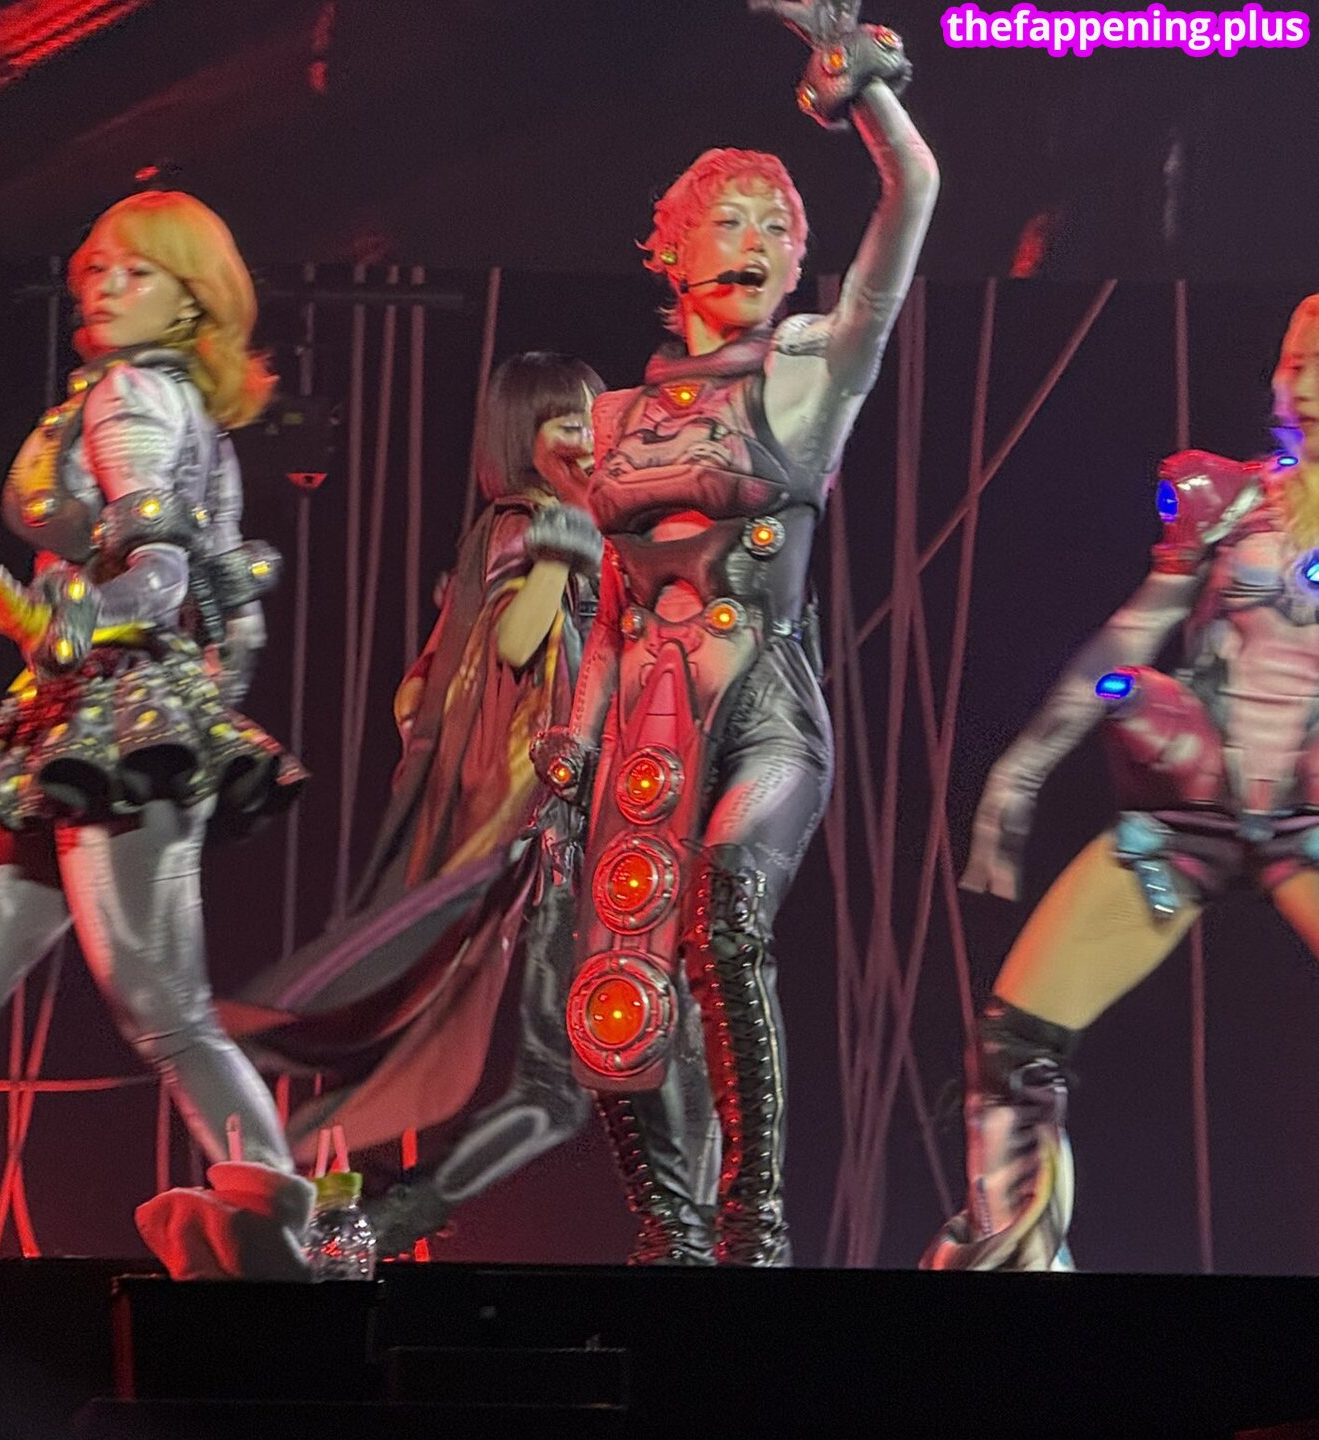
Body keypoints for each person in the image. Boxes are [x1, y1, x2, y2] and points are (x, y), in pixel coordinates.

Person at [531, 0, 937, 1265]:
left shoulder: (813, 375)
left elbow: (916, 195)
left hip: (763, 706)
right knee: (616, 971)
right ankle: (669, 1236)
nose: (758, 240)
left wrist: (859, 86)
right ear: (672, 252)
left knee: (726, 913)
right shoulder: (610, 421)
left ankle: (755, 1222)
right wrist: (566, 750)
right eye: (732, 219)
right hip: (641, 725)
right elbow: (611, 609)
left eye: (778, 225)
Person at [0, 191, 309, 1277]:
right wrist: (176, 681)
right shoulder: (180, 409)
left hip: (113, 727)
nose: (103, 288)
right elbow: (235, 612)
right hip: (84, 728)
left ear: (191, 300)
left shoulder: (130, 397)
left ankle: (279, 1230)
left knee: (164, 1012)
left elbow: (160, 577)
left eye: (135, 272)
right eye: (95, 270)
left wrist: (78, 623)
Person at [223, 353, 714, 1257]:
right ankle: (368, 1216)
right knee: (596, 1066)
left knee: (623, 1053)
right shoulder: (528, 524)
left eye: (592, 418)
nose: (586, 438)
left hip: (599, 839)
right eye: (563, 422)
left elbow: (431, 692)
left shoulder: (586, 528)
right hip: (556, 847)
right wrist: (562, 554)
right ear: (520, 437)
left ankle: (684, 1239)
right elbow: (516, 645)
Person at [927, 295, 1319, 1271]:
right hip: (1187, 817)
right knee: (1011, 1049)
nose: (1305, 385)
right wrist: (1022, 769)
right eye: (1295, 361)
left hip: (1311, 820)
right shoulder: (1227, 499)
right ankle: (1018, 1272)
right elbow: (1129, 636)